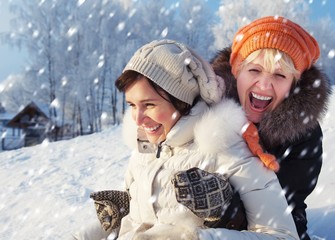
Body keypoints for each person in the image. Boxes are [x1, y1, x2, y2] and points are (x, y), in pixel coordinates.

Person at [72, 39, 299, 240]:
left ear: (181, 101)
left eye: (149, 104)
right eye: (132, 105)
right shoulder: (143, 152)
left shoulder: (226, 149)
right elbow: (134, 223)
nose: (138, 118)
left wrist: (194, 237)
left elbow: (282, 235)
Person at [208, 16, 332, 240]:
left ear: (294, 84)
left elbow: (276, 202)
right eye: (254, 70)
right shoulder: (207, 113)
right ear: (236, 71)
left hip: (281, 227)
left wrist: (217, 202)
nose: (264, 84)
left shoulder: (304, 134)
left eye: (279, 75)